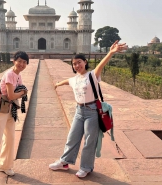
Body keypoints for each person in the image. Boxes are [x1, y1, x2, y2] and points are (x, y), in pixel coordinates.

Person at [49, 40, 128, 178]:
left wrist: (111, 52)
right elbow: (67, 81)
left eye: (79, 62)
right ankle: (64, 162)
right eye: (74, 64)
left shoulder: (92, 75)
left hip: (92, 111)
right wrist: (57, 84)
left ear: (85, 62)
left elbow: (101, 64)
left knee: (89, 141)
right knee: (72, 137)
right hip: (79, 112)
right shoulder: (74, 79)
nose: (77, 65)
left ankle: (86, 167)